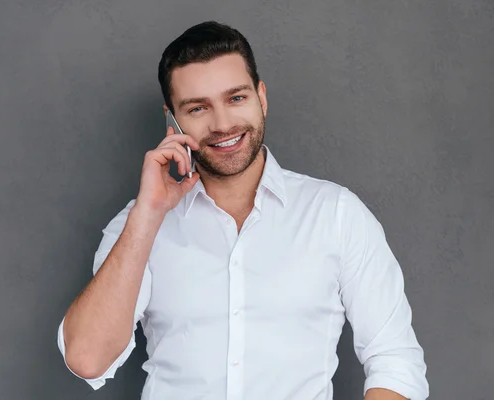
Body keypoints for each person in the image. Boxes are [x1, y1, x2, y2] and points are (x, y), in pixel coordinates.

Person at [56, 21, 429, 400]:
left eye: (236, 98)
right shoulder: (137, 225)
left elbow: (395, 361)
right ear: (172, 120)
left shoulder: (336, 214)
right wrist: (148, 214)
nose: (222, 124)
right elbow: (88, 359)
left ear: (261, 97)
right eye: (198, 107)